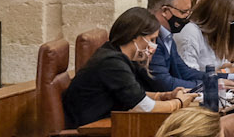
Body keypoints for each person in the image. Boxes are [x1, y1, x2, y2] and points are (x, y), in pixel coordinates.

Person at [65, 8, 198, 128]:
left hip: (110, 121)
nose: (154, 46)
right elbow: (144, 107)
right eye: (151, 40)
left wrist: (164, 96)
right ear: (135, 37)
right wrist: (178, 103)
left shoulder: (119, 56)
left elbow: (135, 95)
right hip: (93, 128)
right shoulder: (112, 63)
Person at [177, 0, 234, 73]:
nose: (228, 26)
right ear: (214, 17)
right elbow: (191, 75)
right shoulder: (190, 32)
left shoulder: (212, 34)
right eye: (228, 22)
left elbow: (220, 64)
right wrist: (229, 71)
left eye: (232, 22)